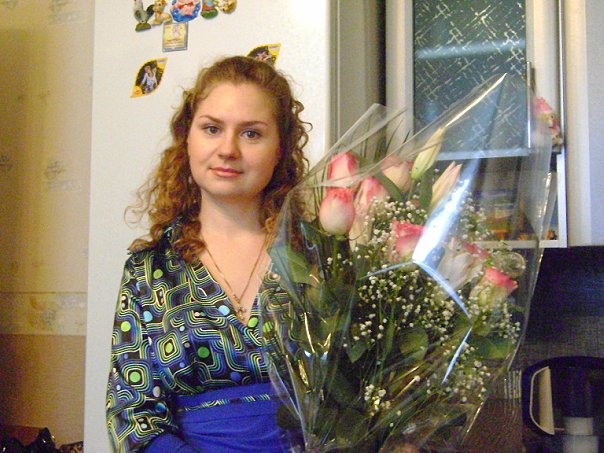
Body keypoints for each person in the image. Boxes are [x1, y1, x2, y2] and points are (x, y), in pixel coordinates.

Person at [106, 55, 309, 452]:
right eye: (212, 128)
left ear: (280, 148)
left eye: (251, 133)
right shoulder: (149, 271)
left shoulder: (317, 258)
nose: (228, 149)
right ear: (188, 138)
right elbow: (132, 417)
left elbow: (361, 394)